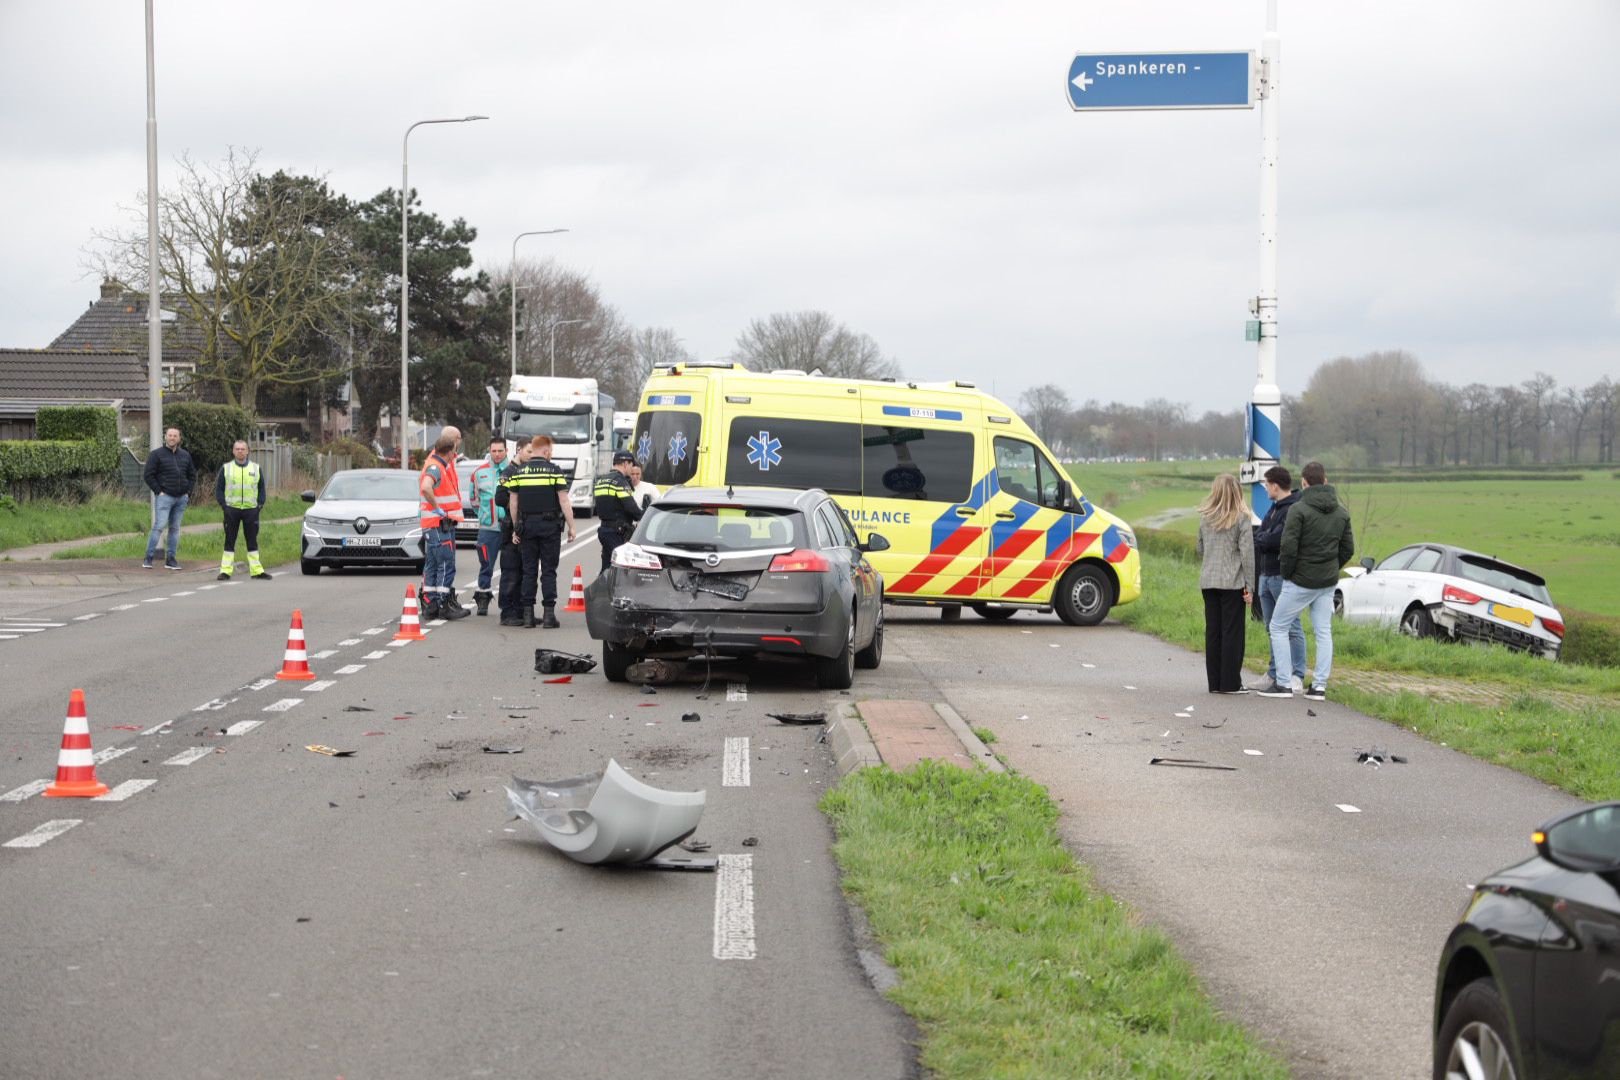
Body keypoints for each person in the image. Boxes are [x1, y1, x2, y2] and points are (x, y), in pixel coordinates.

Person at [1257, 461, 1355, 701]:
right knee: (1323, 632)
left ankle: (1283, 684)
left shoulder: (1298, 510)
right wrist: (1331, 568)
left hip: (1299, 580)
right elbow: (1348, 549)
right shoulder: (1342, 513)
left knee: (1278, 627)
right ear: (1326, 481)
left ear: (1304, 482)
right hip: (1327, 582)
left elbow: (1288, 548)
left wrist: (1289, 573)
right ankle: (1319, 687)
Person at [501, 435, 575, 628]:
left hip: (527, 527)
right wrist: (572, 526)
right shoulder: (554, 471)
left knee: (528, 571)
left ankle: (527, 616)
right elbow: (564, 501)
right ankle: (549, 616)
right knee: (549, 571)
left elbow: (513, 503)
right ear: (546, 450)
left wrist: (516, 527)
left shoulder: (519, 472)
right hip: (550, 527)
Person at [1196, 473, 1256, 695]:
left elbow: (1200, 548)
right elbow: (1247, 554)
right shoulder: (1241, 518)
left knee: (1213, 632)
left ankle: (1215, 683)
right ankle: (1230, 683)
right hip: (1232, 582)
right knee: (1232, 633)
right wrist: (1250, 586)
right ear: (1237, 492)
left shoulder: (1205, 518)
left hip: (1208, 581)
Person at [1252, 465, 1305, 691]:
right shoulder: (1273, 509)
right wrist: (1264, 538)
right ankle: (1274, 672)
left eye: (1266, 485)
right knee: (1272, 628)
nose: (1265, 489)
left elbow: (1275, 539)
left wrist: (1264, 539)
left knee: (1291, 627)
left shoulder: (1292, 509)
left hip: (1281, 576)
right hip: (1265, 574)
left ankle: (1297, 673)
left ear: (1275, 485)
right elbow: (1262, 535)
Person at [418, 427, 469, 621]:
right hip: (438, 523)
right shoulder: (436, 466)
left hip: (434, 524)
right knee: (446, 564)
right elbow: (426, 487)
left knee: (432, 564)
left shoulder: (435, 462)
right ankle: (442, 604)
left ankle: (431, 605)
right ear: (448, 450)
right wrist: (437, 507)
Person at [215, 440, 271, 581]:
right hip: (231, 510)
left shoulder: (255, 468)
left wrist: (259, 505)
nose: (240, 451)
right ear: (233, 451)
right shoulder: (226, 468)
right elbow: (219, 489)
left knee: (252, 541)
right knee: (229, 541)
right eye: (237, 449)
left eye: (242, 449)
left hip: (251, 510)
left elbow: (261, 488)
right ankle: (225, 571)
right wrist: (224, 506)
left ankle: (257, 571)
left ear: (247, 451)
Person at [142, 426, 197, 570]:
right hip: (164, 497)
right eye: (169, 435)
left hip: (181, 498)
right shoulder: (156, 454)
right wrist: (159, 491)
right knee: (159, 526)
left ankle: (171, 559)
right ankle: (148, 557)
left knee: (175, 528)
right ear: (165, 437)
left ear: (179, 438)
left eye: (175, 436)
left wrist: (188, 492)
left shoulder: (185, 455)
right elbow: (148, 475)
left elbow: (192, 475)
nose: (172, 438)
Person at [468, 436, 510, 616]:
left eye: (500, 451)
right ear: (489, 451)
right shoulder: (479, 473)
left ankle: (510, 603)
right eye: (494, 451)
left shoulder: (514, 470)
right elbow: (474, 500)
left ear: (506, 451)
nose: (497, 454)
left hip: (511, 527)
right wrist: (485, 517)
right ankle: (483, 598)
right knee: (486, 564)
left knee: (511, 566)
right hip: (488, 528)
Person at [495, 439, 534, 626]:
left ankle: (520, 611)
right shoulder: (509, 472)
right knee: (510, 571)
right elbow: (500, 498)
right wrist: (517, 500)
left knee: (523, 571)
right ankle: (507, 612)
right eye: (529, 451)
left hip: (524, 528)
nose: (532, 455)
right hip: (510, 527)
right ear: (519, 450)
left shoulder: (528, 471)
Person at [593, 450, 645, 570]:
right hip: (617, 532)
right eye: (631, 465)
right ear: (625, 463)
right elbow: (631, 507)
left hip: (604, 530)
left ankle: (602, 588)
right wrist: (644, 516)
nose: (632, 469)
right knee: (620, 567)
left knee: (607, 566)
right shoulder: (620, 482)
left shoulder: (601, 480)